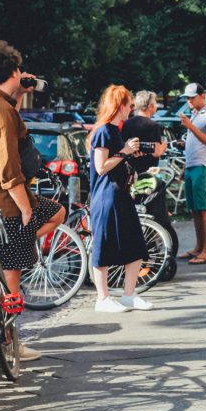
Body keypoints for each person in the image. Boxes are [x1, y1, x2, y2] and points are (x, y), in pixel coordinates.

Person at [0, 40, 63, 361]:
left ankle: (2, 254)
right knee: (13, 276)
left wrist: (18, 94)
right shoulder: (0, 110)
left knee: (54, 214)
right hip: (5, 200)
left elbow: (2, 131)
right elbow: (8, 167)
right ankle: (9, 341)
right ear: (15, 71)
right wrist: (26, 208)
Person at [88, 85, 153, 313]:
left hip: (121, 194)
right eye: (129, 105)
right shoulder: (104, 131)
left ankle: (128, 294)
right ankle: (102, 298)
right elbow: (101, 166)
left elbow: (116, 160)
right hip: (106, 196)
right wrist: (125, 151)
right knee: (103, 246)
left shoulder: (116, 131)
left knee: (135, 243)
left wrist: (130, 156)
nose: (132, 109)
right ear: (120, 106)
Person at [122, 91, 176, 263]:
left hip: (130, 176)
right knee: (158, 217)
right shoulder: (153, 126)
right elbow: (158, 150)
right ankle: (159, 256)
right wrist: (164, 145)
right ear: (151, 106)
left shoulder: (126, 124)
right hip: (149, 176)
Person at [178, 82, 206, 265]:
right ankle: (199, 247)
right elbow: (194, 144)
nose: (189, 101)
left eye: (192, 97)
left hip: (203, 167)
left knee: (204, 209)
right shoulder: (195, 115)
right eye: (187, 98)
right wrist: (185, 166)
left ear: (202, 96)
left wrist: (190, 127)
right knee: (195, 210)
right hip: (192, 166)